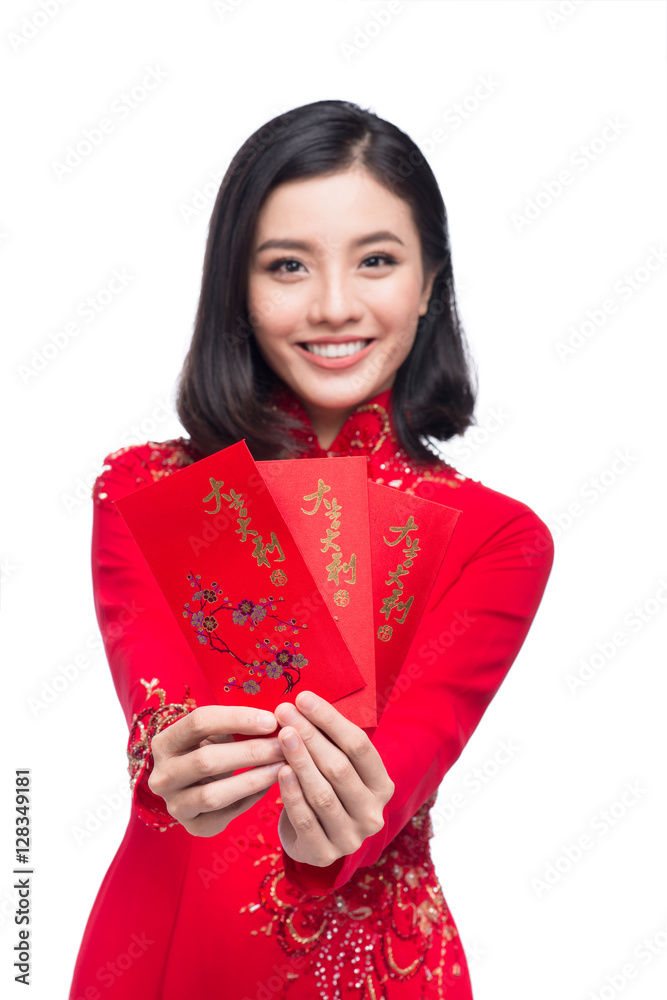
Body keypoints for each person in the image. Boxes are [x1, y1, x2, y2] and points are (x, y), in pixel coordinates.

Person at [69, 100, 554, 1000]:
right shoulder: (143, 491)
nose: (334, 306)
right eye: (287, 266)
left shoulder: (496, 538)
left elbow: (397, 774)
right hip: (164, 946)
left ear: (427, 280)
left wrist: (341, 817)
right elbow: (162, 724)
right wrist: (170, 759)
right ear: (235, 288)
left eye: (375, 260)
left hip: (367, 964)